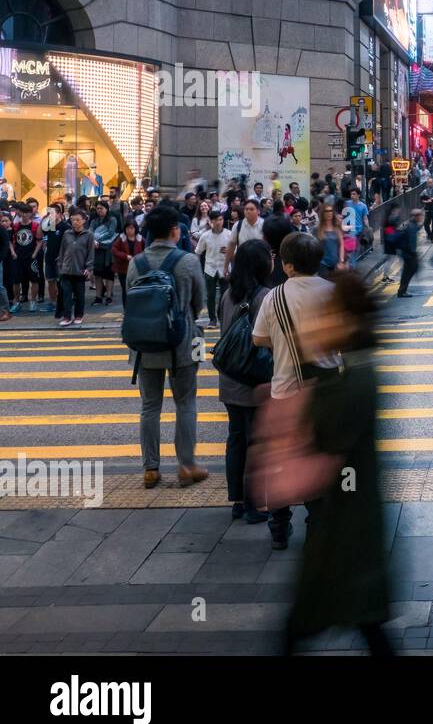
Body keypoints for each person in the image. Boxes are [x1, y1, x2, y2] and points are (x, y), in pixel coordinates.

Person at [285, 272, 391, 656]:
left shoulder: (356, 377)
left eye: (326, 315)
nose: (316, 324)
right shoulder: (353, 371)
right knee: (362, 622)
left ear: (346, 320)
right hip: (345, 519)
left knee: (310, 621)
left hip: (348, 524)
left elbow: (322, 435)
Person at [250, 232, 343, 549]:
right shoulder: (333, 293)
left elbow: (258, 339)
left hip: (286, 388)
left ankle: (279, 526)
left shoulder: (273, 297)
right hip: (326, 391)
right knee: (319, 454)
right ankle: (317, 521)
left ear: (288, 266)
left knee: (283, 459)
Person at [127, 205, 208, 488]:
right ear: (176, 230)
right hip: (181, 345)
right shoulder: (188, 261)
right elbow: (199, 304)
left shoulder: (135, 263)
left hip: (143, 347)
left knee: (150, 406)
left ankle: (150, 469)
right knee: (186, 403)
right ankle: (186, 466)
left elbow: (130, 301)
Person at [218, 239, 276, 523]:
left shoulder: (228, 294)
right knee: (257, 442)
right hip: (256, 379)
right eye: (269, 256)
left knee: (236, 438)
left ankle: (238, 502)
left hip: (230, 378)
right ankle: (256, 504)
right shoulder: (266, 296)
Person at [55, 208, 94, 327]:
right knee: (66, 294)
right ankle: (67, 317)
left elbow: (90, 252)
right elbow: (62, 251)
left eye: (78, 220)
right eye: (73, 220)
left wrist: (89, 267)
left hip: (80, 270)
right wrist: (60, 265)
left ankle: (78, 315)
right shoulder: (67, 233)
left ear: (83, 221)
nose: (75, 222)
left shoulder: (89, 235)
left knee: (79, 295)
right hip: (66, 269)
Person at [193, 209, 232, 325]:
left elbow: (236, 250)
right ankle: (212, 319)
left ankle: (222, 316)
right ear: (211, 221)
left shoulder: (229, 234)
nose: (219, 222)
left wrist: (229, 251)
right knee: (210, 295)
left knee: (225, 295)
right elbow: (198, 251)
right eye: (216, 220)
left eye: (221, 219)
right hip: (210, 268)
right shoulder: (205, 236)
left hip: (225, 268)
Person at [110, 219, 145, 305]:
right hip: (123, 268)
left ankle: (136, 308)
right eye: (128, 228)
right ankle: (126, 310)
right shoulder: (121, 238)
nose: (129, 230)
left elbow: (146, 250)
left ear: (135, 228)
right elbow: (114, 250)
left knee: (137, 288)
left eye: (132, 228)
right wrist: (125, 256)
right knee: (125, 289)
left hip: (137, 268)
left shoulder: (140, 239)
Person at [315, 202, 346, 279]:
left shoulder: (337, 227)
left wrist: (341, 260)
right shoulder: (317, 229)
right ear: (323, 213)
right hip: (323, 263)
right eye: (326, 211)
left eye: (331, 211)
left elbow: (341, 245)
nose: (329, 213)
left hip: (336, 262)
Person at [396, 209, 423, 298]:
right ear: (415, 216)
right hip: (408, 253)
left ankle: (402, 290)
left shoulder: (411, 224)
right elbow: (411, 242)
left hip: (406, 252)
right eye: (420, 216)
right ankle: (402, 291)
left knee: (409, 270)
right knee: (409, 271)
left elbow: (417, 228)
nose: (421, 218)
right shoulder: (411, 226)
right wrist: (413, 253)